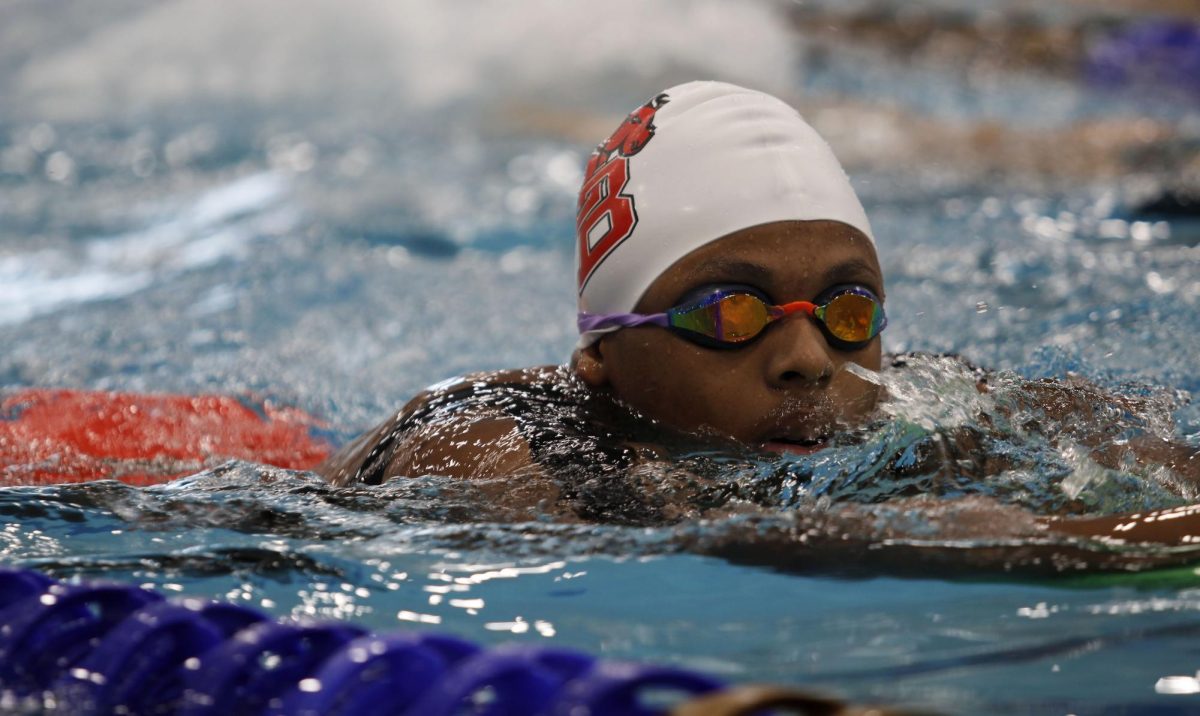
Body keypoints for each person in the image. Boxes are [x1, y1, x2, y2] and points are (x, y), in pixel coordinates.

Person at [319, 81, 1200, 570]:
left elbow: (1138, 453)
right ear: (601, 353)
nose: (809, 358)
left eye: (848, 309)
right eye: (730, 311)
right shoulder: (487, 443)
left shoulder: (919, 404)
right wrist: (965, 535)